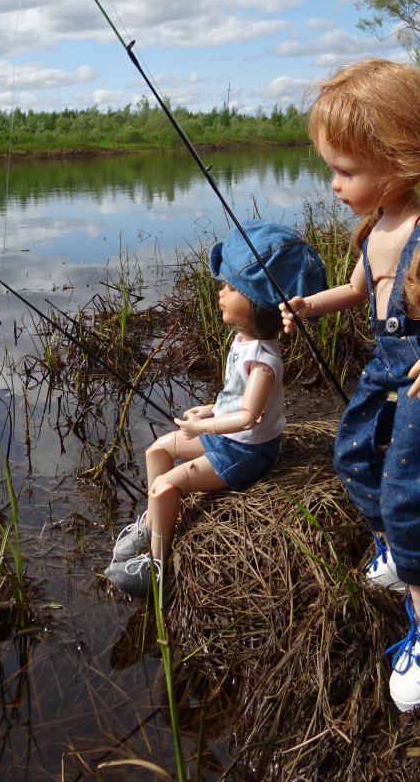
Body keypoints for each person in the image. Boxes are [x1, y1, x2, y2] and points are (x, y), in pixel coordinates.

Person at [280, 58, 420, 713]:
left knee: (404, 488)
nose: (334, 183)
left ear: (399, 164)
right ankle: (405, 547)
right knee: (351, 454)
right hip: (387, 362)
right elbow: (360, 288)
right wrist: (314, 304)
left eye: (345, 170)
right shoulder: (374, 229)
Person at [104, 220, 328, 599]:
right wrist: (208, 410)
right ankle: (151, 522)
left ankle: (156, 565)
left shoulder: (263, 360)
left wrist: (203, 429)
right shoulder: (242, 340)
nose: (221, 293)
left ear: (259, 303)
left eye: (231, 288)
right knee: (156, 450)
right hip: (225, 437)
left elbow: (248, 417)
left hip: (246, 450)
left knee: (165, 485)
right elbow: (233, 399)